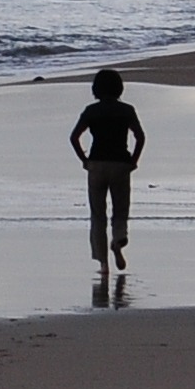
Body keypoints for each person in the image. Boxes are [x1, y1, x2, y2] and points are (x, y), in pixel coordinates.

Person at [69, 68, 144, 269]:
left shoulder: (91, 111)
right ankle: (118, 239)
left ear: (96, 89)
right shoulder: (127, 110)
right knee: (120, 210)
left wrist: (84, 160)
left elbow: (74, 137)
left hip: (97, 165)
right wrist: (134, 161)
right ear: (119, 88)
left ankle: (103, 263)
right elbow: (140, 137)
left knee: (97, 215)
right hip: (120, 164)